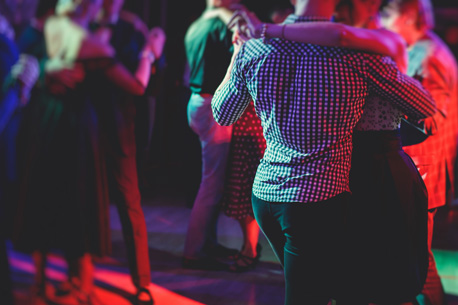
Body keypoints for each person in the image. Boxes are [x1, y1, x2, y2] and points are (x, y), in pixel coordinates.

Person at [212, 0, 435, 304]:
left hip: (265, 195)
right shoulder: (357, 56)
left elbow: (223, 114)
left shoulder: (254, 48)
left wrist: (238, 51)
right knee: (311, 294)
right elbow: (423, 106)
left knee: (313, 285)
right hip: (315, 198)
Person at [13, 0, 164, 304]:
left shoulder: (132, 28)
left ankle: (140, 282)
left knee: (126, 203)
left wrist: (150, 52)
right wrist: (46, 71)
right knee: (74, 203)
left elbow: (140, 82)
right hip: (77, 130)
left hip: (116, 130)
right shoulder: (69, 25)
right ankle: (75, 280)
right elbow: (32, 56)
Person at [383, 1, 458, 304]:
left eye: (387, 13)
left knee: (414, 258)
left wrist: (392, 98)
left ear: (409, 16)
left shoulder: (426, 58)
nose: (381, 20)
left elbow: (432, 117)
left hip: (425, 170)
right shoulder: (426, 48)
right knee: (414, 256)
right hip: (425, 168)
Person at [182, 0, 242, 271]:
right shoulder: (221, 25)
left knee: (209, 181)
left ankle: (207, 244)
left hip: (196, 100)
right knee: (211, 185)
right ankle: (194, 251)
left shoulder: (195, 25)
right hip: (211, 105)